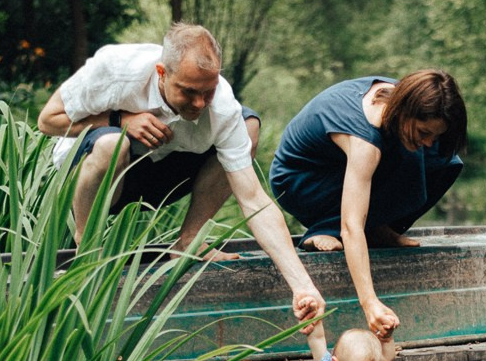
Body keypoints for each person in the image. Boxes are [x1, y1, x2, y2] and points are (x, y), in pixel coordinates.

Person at [37, 22, 324, 325]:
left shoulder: (221, 106)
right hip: (96, 175)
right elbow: (48, 120)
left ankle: (188, 241)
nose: (200, 103)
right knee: (112, 144)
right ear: (162, 73)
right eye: (189, 92)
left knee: (247, 124)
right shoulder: (117, 69)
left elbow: (254, 199)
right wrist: (120, 120)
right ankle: (89, 245)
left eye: (207, 91)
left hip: (162, 172)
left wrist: (303, 287)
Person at [269, 70, 467, 338]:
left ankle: (376, 226)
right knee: (364, 214)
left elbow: (430, 147)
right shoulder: (364, 141)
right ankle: (323, 228)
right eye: (424, 132)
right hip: (299, 182)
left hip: (336, 168)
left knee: (444, 161)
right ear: (406, 110)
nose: (429, 140)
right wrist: (370, 303)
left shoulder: (402, 99)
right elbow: (352, 227)